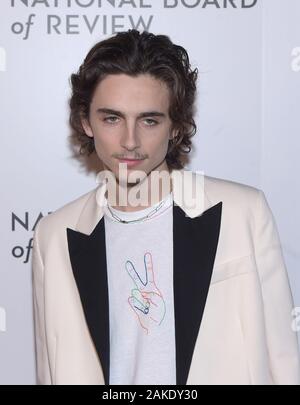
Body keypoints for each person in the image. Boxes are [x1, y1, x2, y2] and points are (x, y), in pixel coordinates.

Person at [32, 29, 300, 385]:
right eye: (112, 118)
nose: (130, 141)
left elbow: (285, 362)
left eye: (149, 120)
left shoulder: (242, 213)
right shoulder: (55, 235)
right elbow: (49, 373)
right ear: (86, 122)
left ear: (175, 126)